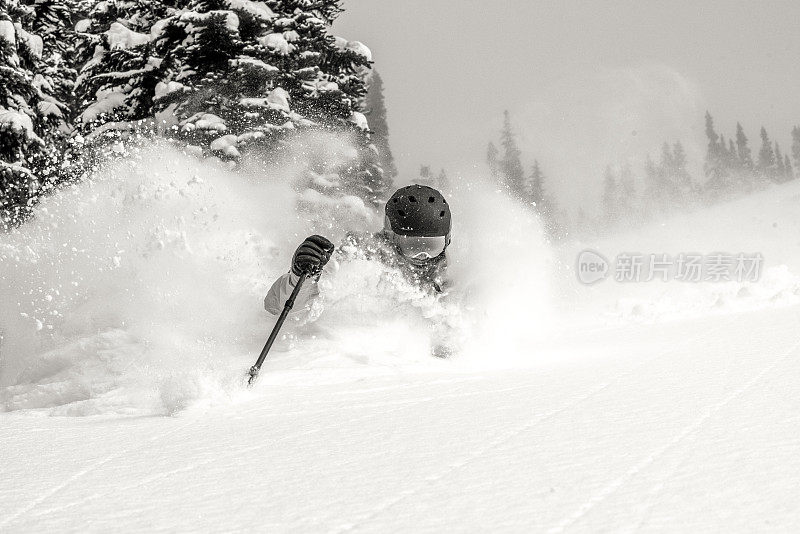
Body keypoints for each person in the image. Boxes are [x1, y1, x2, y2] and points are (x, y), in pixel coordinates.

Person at [264, 184, 455, 356]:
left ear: (447, 240)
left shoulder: (453, 269)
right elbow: (278, 309)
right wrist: (302, 277)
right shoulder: (361, 254)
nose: (423, 256)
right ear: (391, 235)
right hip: (349, 357)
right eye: (412, 246)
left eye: (433, 245)